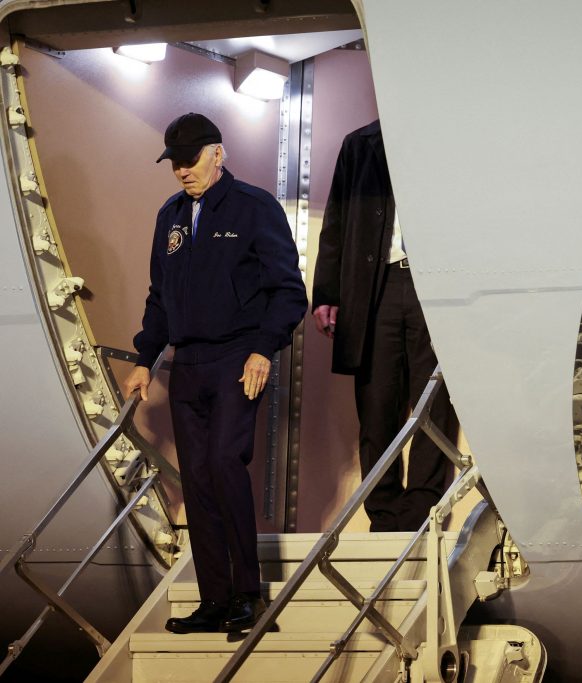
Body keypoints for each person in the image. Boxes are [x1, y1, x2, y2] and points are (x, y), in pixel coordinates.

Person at [123, 113, 307, 634]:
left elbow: (288, 290)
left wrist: (263, 350)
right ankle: (214, 601)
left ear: (217, 153)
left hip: (237, 358)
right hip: (187, 364)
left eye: (191, 160)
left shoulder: (254, 207)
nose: (183, 171)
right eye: (175, 163)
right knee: (198, 479)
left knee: (226, 463)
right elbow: (159, 297)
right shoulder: (171, 215)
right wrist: (144, 359)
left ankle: (248, 595)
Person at [311, 119, 457, 533]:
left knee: (434, 401)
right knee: (376, 403)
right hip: (377, 285)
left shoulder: (449, 135)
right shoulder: (361, 143)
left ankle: (423, 510)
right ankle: (384, 513)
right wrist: (326, 293)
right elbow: (336, 221)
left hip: (436, 284)